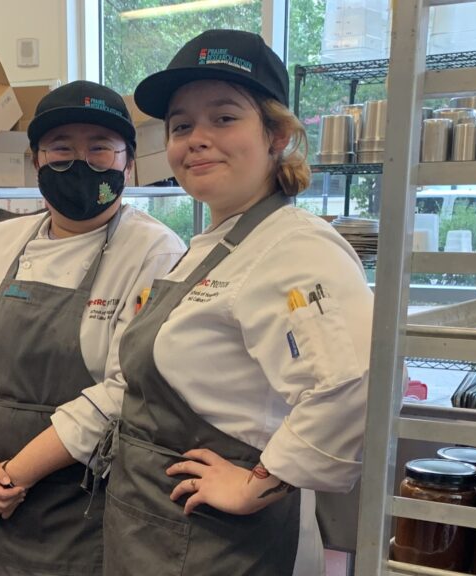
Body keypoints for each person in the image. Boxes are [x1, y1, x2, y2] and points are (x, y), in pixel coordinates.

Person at [103, 29, 373, 575]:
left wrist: (257, 485)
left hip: (217, 544)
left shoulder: (294, 248)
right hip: (156, 526)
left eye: (224, 118)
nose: (196, 139)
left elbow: (356, 382)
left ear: (276, 135)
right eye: (182, 126)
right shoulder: (215, 245)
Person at [0, 80, 186, 576]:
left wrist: (16, 475)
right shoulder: (1, 242)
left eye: (99, 148)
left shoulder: (156, 253)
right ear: (36, 161)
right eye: (61, 149)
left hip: (86, 504)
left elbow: (125, 390)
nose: (80, 162)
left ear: (128, 163)